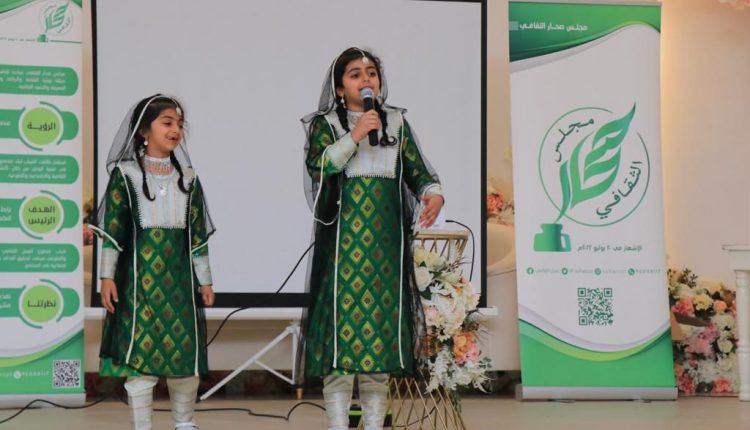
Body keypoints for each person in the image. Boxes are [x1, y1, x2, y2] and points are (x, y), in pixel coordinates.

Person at [300, 47, 444, 430]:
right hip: (342, 254)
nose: (366, 80)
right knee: (341, 345)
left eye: (372, 73)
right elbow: (319, 167)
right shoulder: (327, 125)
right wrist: (355, 135)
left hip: (385, 254)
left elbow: (417, 171)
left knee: (379, 345)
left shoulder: (395, 122)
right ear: (339, 86)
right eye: (355, 74)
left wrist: (433, 193)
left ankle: (375, 424)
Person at [91, 94, 215, 430]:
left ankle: (185, 422)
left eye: (180, 124)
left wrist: (205, 280)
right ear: (145, 130)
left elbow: (197, 236)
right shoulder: (126, 175)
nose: (176, 130)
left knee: (184, 358)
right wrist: (106, 277)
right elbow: (113, 231)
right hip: (138, 287)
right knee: (141, 359)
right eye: (167, 122)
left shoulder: (188, 178)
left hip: (180, 289)